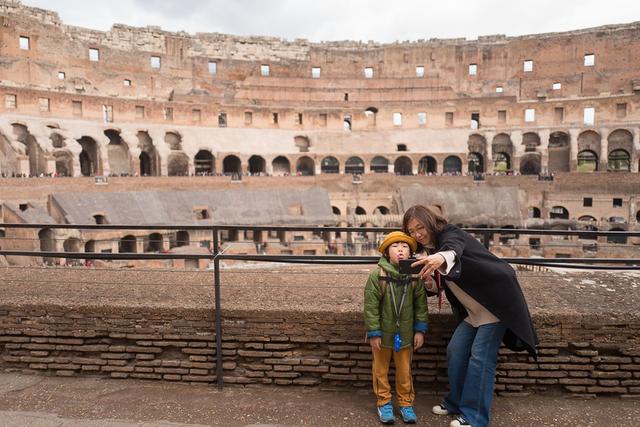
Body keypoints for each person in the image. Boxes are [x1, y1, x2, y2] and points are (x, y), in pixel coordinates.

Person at [403, 205, 537, 427]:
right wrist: (430, 282)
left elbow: (453, 249)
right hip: (475, 311)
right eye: (412, 231)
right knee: (455, 351)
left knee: (480, 358)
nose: (417, 234)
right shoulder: (432, 248)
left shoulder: (449, 233)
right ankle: (455, 402)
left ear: (430, 222)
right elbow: (451, 280)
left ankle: (474, 417)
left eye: (420, 227)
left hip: (495, 303)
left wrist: (440, 258)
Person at [363, 231, 428, 424]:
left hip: (406, 334)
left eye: (405, 246)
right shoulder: (378, 275)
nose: (400, 249)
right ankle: (384, 403)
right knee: (380, 370)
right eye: (395, 246)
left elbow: (421, 305)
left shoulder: (415, 276)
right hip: (382, 335)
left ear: (410, 253)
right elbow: (371, 307)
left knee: (404, 371)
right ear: (386, 252)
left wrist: (420, 330)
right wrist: (373, 332)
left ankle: (406, 404)